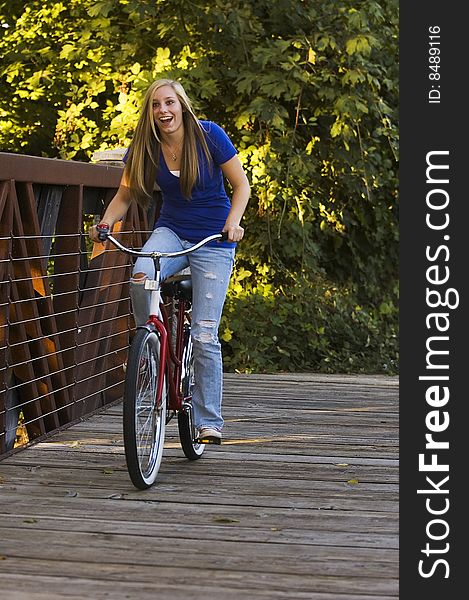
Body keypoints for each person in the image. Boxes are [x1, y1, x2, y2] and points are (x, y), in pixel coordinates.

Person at [89, 78, 250, 443]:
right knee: (140, 274)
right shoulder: (146, 147)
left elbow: (241, 186)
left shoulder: (209, 136)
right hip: (172, 232)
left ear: (182, 105)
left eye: (170, 103)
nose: (164, 111)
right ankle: (150, 342)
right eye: (156, 105)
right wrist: (105, 222)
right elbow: (125, 195)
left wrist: (233, 222)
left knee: (206, 333)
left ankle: (209, 420)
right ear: (150, 112)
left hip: (214, 239)